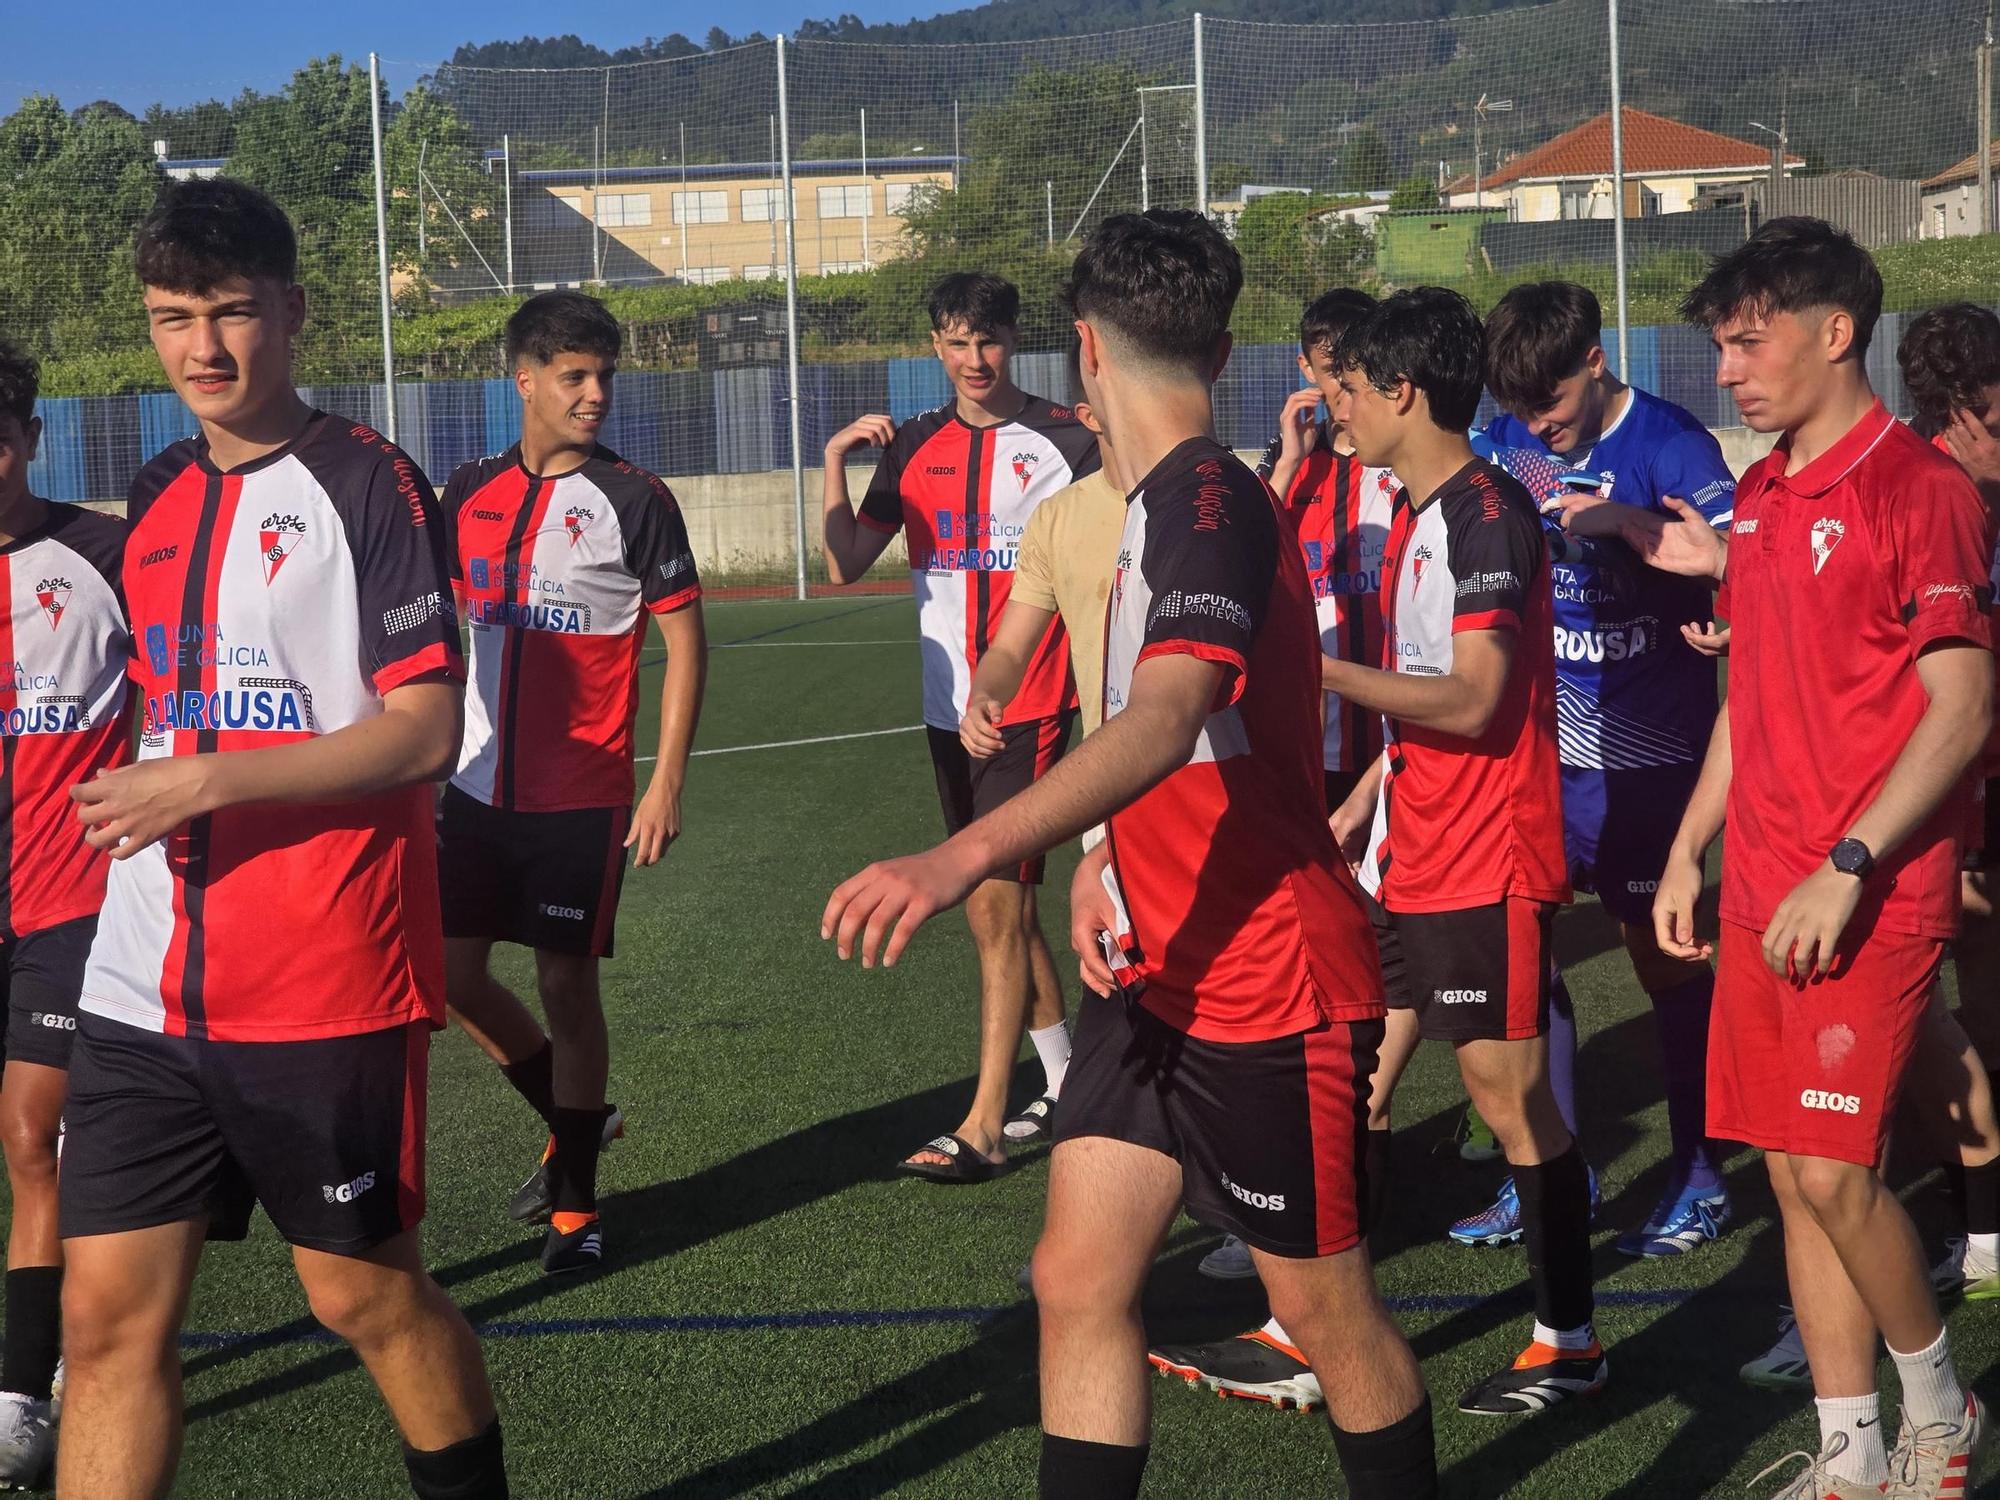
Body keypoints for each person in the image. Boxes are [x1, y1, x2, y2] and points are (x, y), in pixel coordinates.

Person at [825, 209, 1436, 1500]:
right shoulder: (1149, 501)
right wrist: (1106, 854)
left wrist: (958, 858)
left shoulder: (1210, 502)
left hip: (1271, 978)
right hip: (1155, 967)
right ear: (1220, 348)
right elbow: (1155, 736)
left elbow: (1167, 716)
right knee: (1076, 1281)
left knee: (1330, 1321)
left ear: (1084, 351)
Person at [54, 177, 507, 1499]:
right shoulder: (152, 492)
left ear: (293, 313)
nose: (202, 348)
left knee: (365, 1303)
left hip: (323, 979)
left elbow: (424, 732)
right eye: (171, 317)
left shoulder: (373, 485)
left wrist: (206, 786)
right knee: (105, 1325)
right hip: (139, 985)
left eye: (232, 313)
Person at [1634, 217, 1991, 1497]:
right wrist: (1688, 849)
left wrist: (1845, 863)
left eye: (1746, 340)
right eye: (1720, 345)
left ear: (1832, 333)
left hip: (1862, 892)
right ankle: (1848, 1461)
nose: (1724, 370)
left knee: (1837, 1178)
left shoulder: (1921, 490)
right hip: (1761, 889)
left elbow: (1961, 708)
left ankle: (1940, 1416)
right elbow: (1755, 693)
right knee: (1790, 1179)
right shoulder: (1761, 491)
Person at [1319, 287, 1604, 1416]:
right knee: (1354, 1065)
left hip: (1484, 853)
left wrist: (1321, 674)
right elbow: (1434, 694)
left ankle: (1568, 1338)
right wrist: (1372, 793)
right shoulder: (1420, 511)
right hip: (1416, 842)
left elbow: (1478, 699)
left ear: (1400, 391)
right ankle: (1320, 1324)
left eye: (1346, 387)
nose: (1333, 406)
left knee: (1507, 1100)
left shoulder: (1483, 512)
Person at [1147, 286, 1399, 1410]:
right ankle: (1289, 1262)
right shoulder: (1262, 485)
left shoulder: (1422, 485)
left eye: (1342, 371)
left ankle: (1318, 1271)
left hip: (1386, 763)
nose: (1325, 390)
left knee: (1403, 1017)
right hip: (1311, 763)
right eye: (1313, 368)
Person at [1449, 279, 1738, 1260]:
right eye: (1522, 411)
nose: (1540, 428)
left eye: (1554, 406)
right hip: (1542, 762)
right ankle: (1547, 1167)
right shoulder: (1503, 446)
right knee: (1521, 965)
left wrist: (1629, 534)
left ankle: (1698, 1175)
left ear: (1593, 360)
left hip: (1653, 760)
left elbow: (1739, 563)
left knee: (1666, 966)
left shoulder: (1670, 445)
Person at [437, 290, 707, 1275]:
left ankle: (575, 1209)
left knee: (563, 983)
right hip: (469, 790)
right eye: (574, 377)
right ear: (524, 381)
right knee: (449, 974)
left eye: (604, 376)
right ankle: (578, 1117)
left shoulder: (635, 499)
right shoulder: (464, 490)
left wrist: (664, 780)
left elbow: (685, 644)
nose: (595, 394)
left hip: (582, 797)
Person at [822, 273, 1099, 1179]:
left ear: (1013, 340)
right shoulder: (912, 448)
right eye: (953, 342)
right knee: (1004, 906)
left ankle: (982, 1124)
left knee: (994, 907)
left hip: (1034, 703)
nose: (973, 360)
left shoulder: (1066, 440)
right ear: (934, 348)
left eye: (987, 341)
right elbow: (847, 560)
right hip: (948, 708)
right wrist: (835, 460)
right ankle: (1068, 1081)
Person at [0, 342, 129, 1488]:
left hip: (70, 903)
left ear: (30, 440)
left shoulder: (105, 555)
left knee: (29, 1136)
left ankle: (17, 1396)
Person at [1900, 303, 2000, 1303]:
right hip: (1946, 795)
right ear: (1957, 417)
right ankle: (1970, 1222)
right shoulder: (1931, 498)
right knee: (1932, 1022)